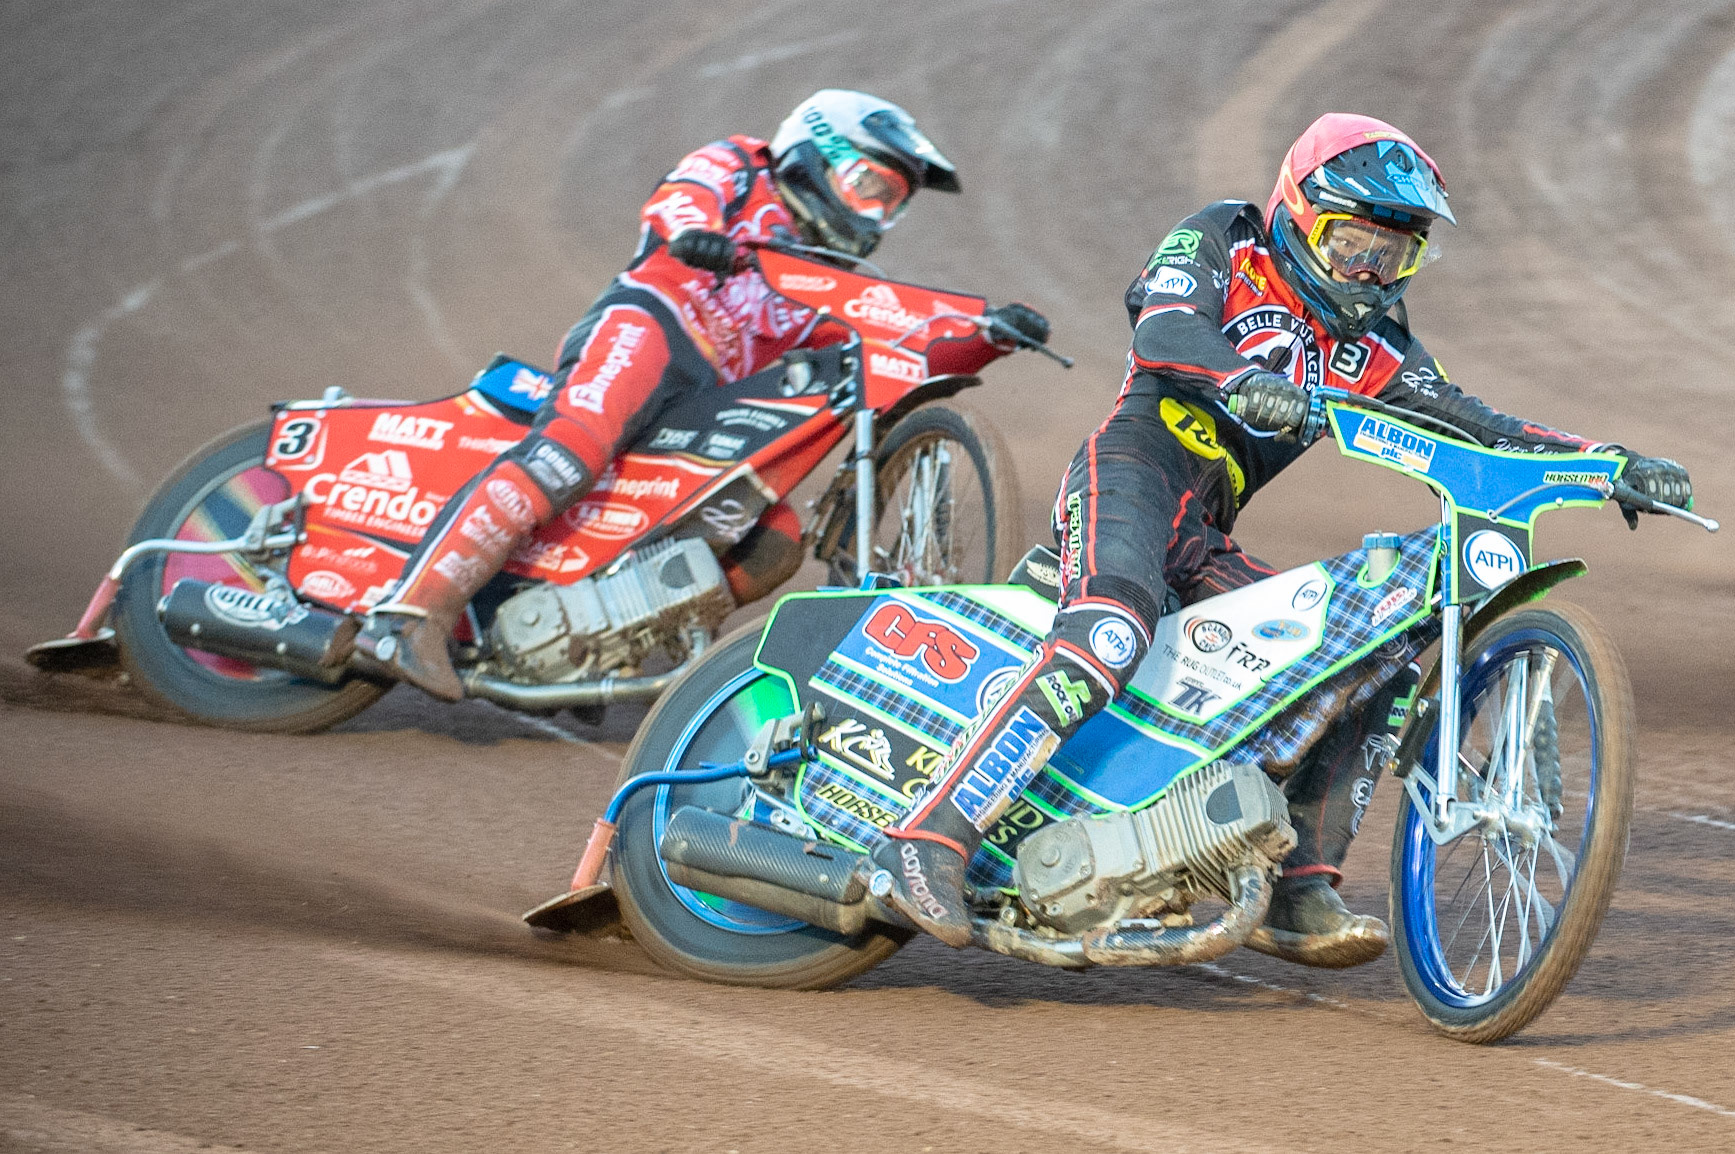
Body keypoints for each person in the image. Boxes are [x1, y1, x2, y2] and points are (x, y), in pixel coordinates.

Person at [868, 112, 1692, 964]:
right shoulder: (1225, 238)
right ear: (1298, 211)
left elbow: (1474, 422)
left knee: (1368, 656)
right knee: (1109, 629)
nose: (1369, 272)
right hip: (1131, 472)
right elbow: (1161, 330)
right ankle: (927, 837)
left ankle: (1297, 888)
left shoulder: (1373, 342)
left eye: (1392, 255)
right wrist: (1243, 378)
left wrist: (1607, 462)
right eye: (1351, 244)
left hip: (1206, 532)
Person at [362, 90, 1049, 701]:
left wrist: (986, 332)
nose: (875, 212)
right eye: (868, 185)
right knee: (568, 454)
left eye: (891, 202)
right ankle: (410, 616)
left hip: (708, 399)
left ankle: (602, 640)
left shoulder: (825, 273)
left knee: (773, 539)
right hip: (653, 324)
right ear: (815, 153)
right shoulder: (741, 166)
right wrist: (701, 233)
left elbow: (893, 336)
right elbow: (681, 198)